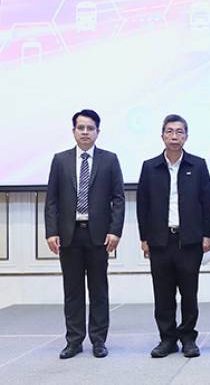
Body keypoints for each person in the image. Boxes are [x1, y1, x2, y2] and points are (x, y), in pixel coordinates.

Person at [45, 109, 125, 359]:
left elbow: (118, 198)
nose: (85, 132)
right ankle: (74, 340)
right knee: (73, 291)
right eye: (81, 128)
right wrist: (51, 232)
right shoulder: (60, 160)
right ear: (73, 131)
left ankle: (99, 340)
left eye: (90, 128)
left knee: (99, 290)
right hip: (69, 235)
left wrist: (115, 231)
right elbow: (52, 200)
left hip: (98, 236)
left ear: (97, 132)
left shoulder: (109, 160)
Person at [136, 114, 210, 358]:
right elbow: (142, 204)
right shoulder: (150, 167)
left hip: (189, 241)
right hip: (160, 241)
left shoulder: (197, 165)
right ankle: (167, 339)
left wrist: (207, 235)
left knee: (189, 293)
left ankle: (188, 338)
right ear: (162, 136)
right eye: (169, 131)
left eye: (179, 132)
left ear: (186, 137)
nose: (174, 136)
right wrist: (144, 238)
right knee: (163, 294)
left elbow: (207, 202)